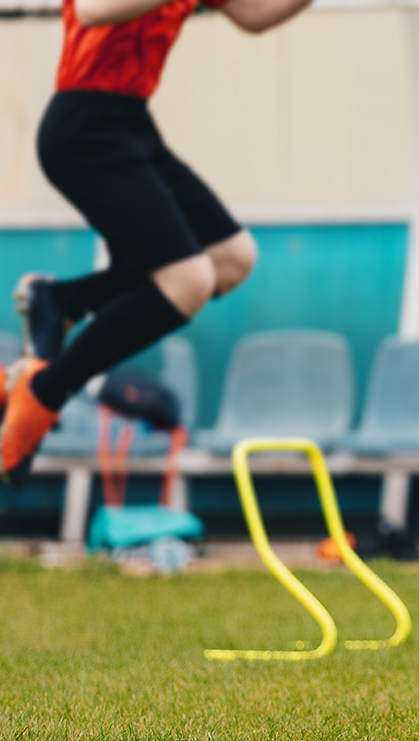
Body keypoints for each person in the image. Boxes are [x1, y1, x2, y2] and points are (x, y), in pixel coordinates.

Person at [0, 0, 314, 486]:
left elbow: (252, 16)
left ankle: (65, 299)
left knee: (231, 258)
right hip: (83, 128)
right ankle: (44, 390)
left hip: (132, 127)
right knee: (188, 280)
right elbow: (92, 11)